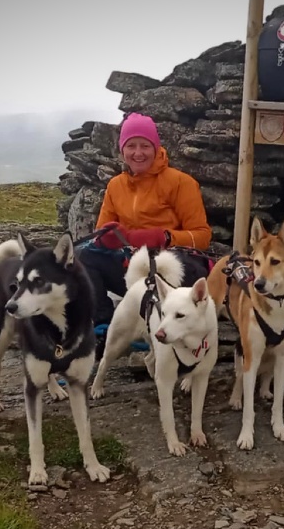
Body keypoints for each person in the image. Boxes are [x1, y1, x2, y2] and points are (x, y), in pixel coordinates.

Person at [76, 112, 213, 351]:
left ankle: (165, 327)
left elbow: (201, 236)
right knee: (85, 257)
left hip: (172, 267)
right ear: (122, 150)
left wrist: (165, 237)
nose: (138, 153)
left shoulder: (181, 182)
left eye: (144, 146)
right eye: (131, 146)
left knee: (175, 264)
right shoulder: (115, 186)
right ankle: (103, 327)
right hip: (132, 268)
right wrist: (107, 239)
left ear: (156, 148)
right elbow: (101, 233)